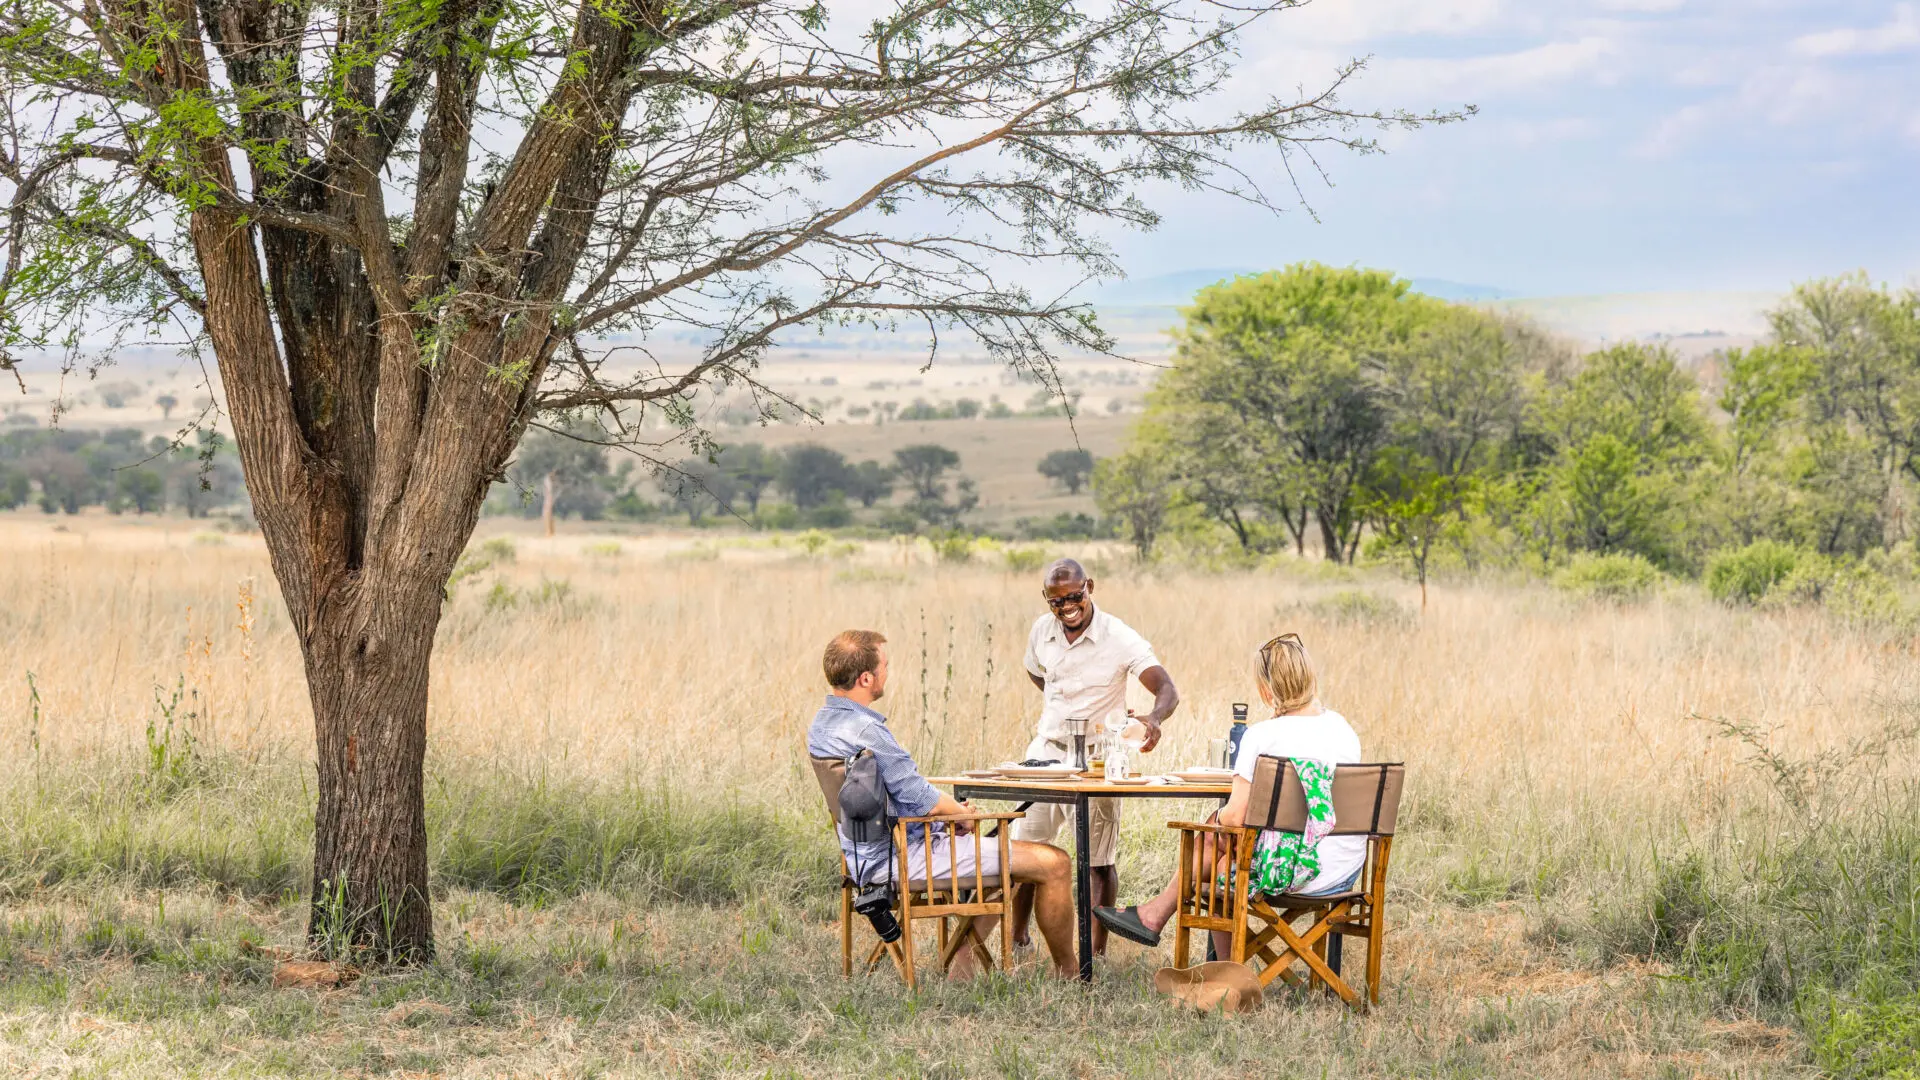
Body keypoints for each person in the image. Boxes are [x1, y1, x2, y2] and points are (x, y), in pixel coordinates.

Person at [806, 629, 1079, 979]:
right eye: (884, 666)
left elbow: (898, 794)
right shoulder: (865, 730)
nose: (888, 672)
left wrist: (950, 815)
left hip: (862, 858)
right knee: (1053, 862)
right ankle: (1073, 975)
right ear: (866, 678)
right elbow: (922, 800)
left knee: (1014, 858)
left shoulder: (822, 723)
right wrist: (961, 815)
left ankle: (962, 960)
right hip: (903, 857)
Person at [1092, 632, 1364, 959]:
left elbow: (1235, 818)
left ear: (1266, 690)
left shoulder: (1262, 736)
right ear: (1310, 678)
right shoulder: (1343, 729)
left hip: (1296, 870)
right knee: (1222, 846)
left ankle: (1217, 965)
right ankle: (1156, 917)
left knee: (1216, 843)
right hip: (1344, 868)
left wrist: (1215, 822)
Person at [1009, 558, 1180, 955]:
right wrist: (1062, 702)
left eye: (1074, 597)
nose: (1067, 607)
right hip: (1047, 752)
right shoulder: (1041, 630)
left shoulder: (1118, 635)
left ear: (1089, 587)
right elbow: (1036, 671)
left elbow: (1166, 686)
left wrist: (1153, 719)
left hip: (1100, 756)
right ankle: (1018, 939)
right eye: (1057, 601)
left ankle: (1094, 951)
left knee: (1097, 858)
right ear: (1046, 600)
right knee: (1022, 852)